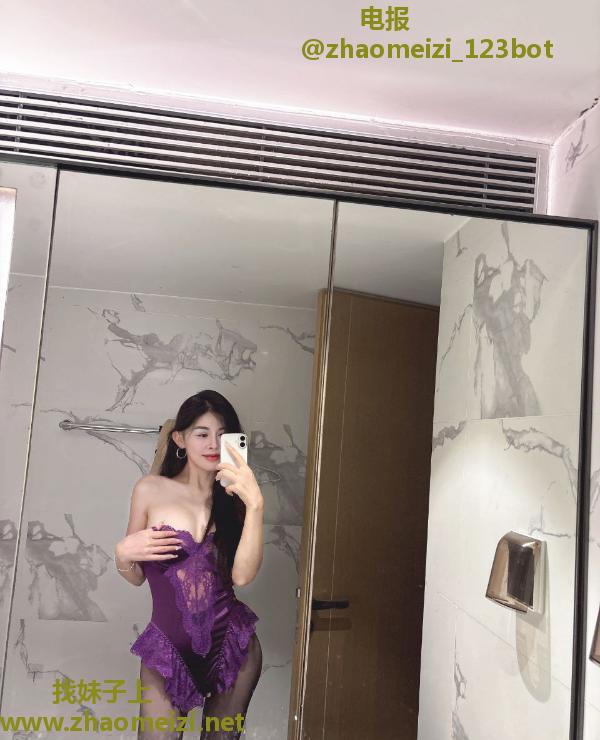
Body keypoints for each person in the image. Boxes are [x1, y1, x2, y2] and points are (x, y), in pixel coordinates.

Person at [114, 390, 264, 739]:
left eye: (222, 434)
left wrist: (256, 504)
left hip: (233, 645)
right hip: (167, 650)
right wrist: (122, 554)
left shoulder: (237, 499)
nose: (213, 444)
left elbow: (242, 576)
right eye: (202, 433)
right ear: (180, 438)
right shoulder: (150, 489)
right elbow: (136, 576)